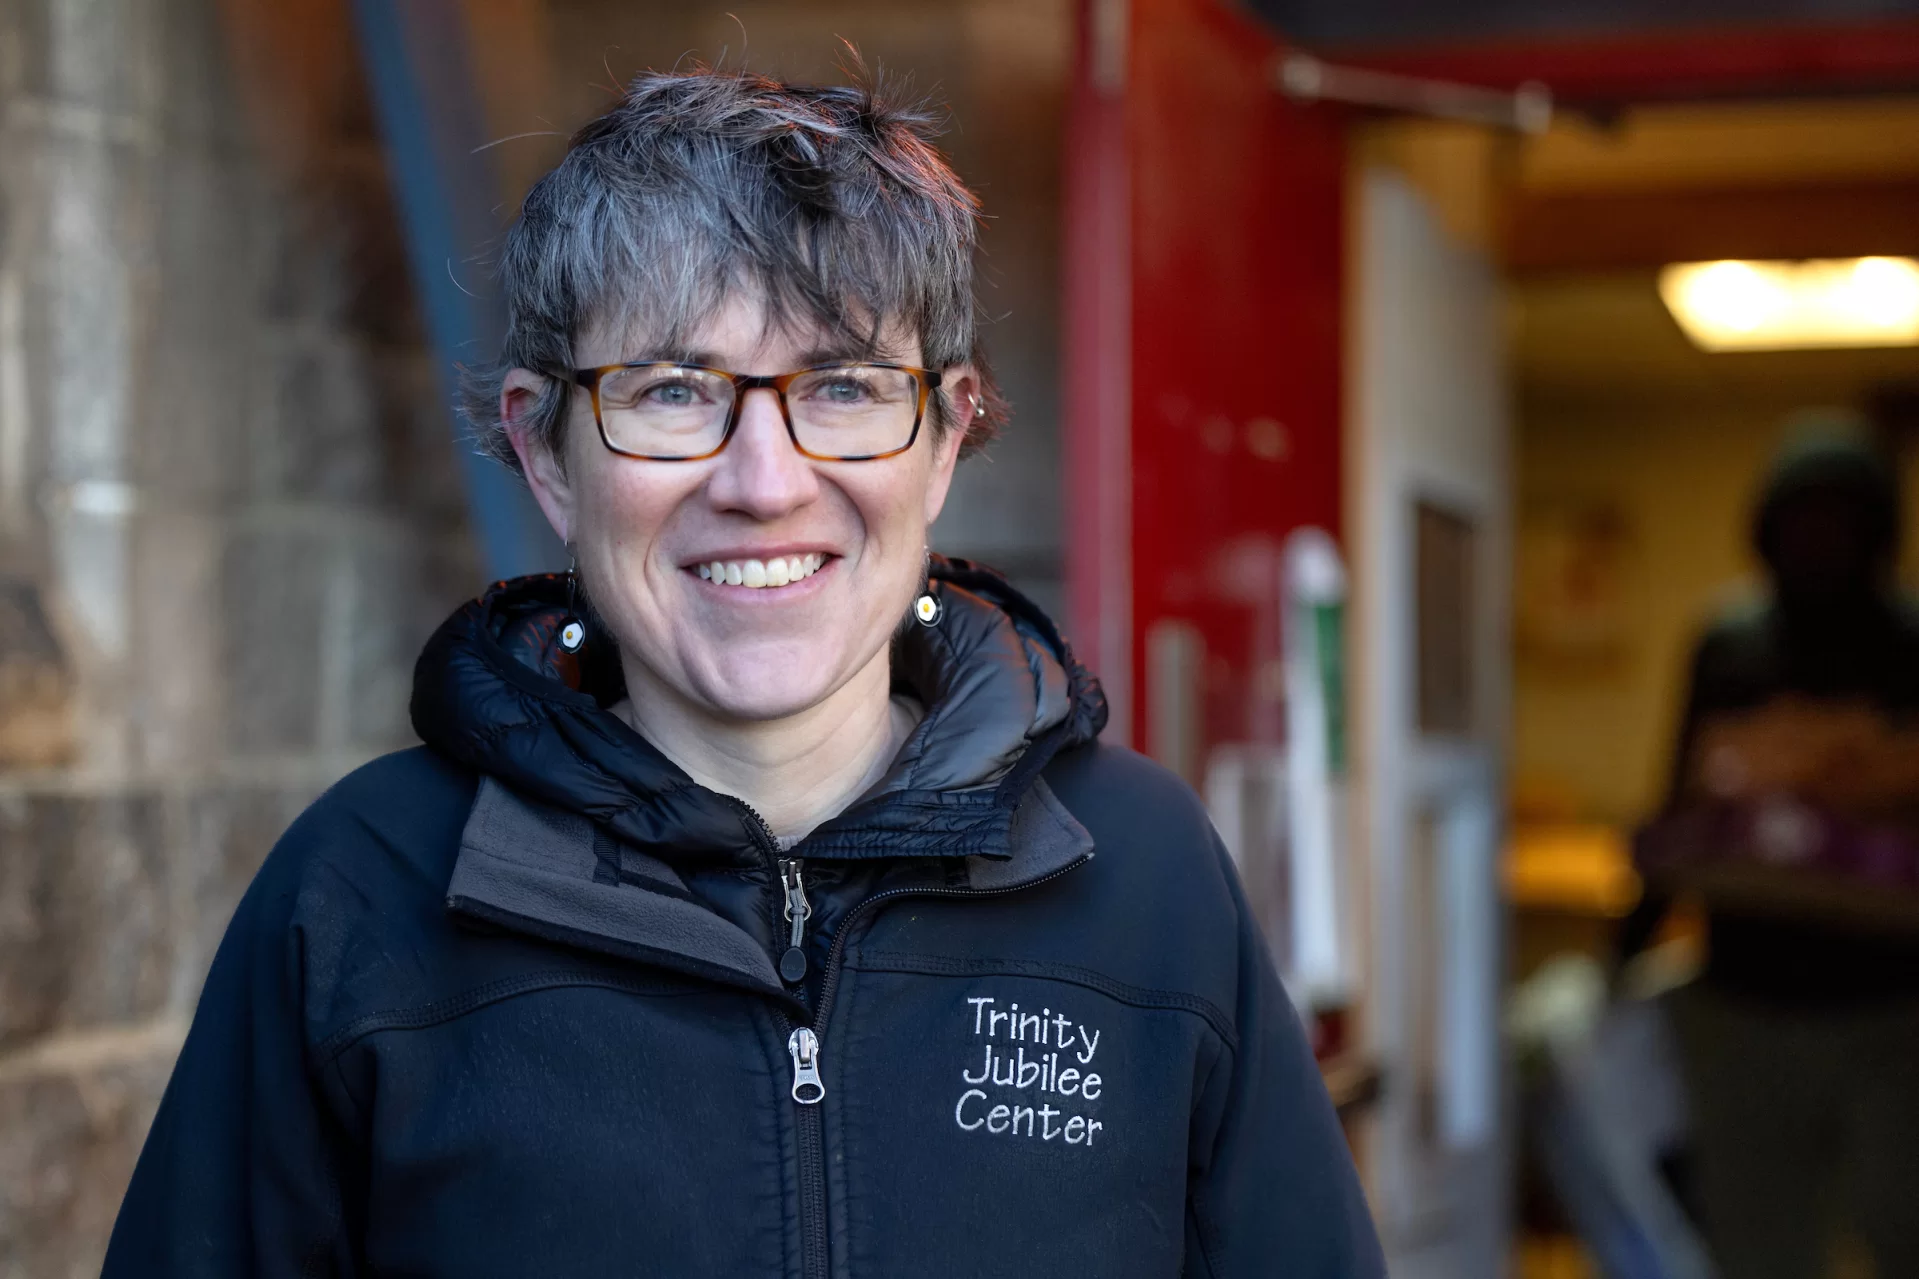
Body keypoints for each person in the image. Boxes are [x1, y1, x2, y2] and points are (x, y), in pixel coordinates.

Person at [104, 68, 1383, 1277]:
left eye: (841, 387)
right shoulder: (363, 894)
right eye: (670, 389)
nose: (763, 483)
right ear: (546, 456)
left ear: (940, 444)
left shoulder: (1144, 872)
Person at [1625, 427, 1919, 1279]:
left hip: (1890, 1012)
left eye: (1840, 522)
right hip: (1744, 1006)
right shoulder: (1731, 644)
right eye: (1800, 523)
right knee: (1756, 1242)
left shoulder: (1908, 646)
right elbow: (1676, 808)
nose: (1818, 544)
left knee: (1901, 1229)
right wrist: (1623, 953)